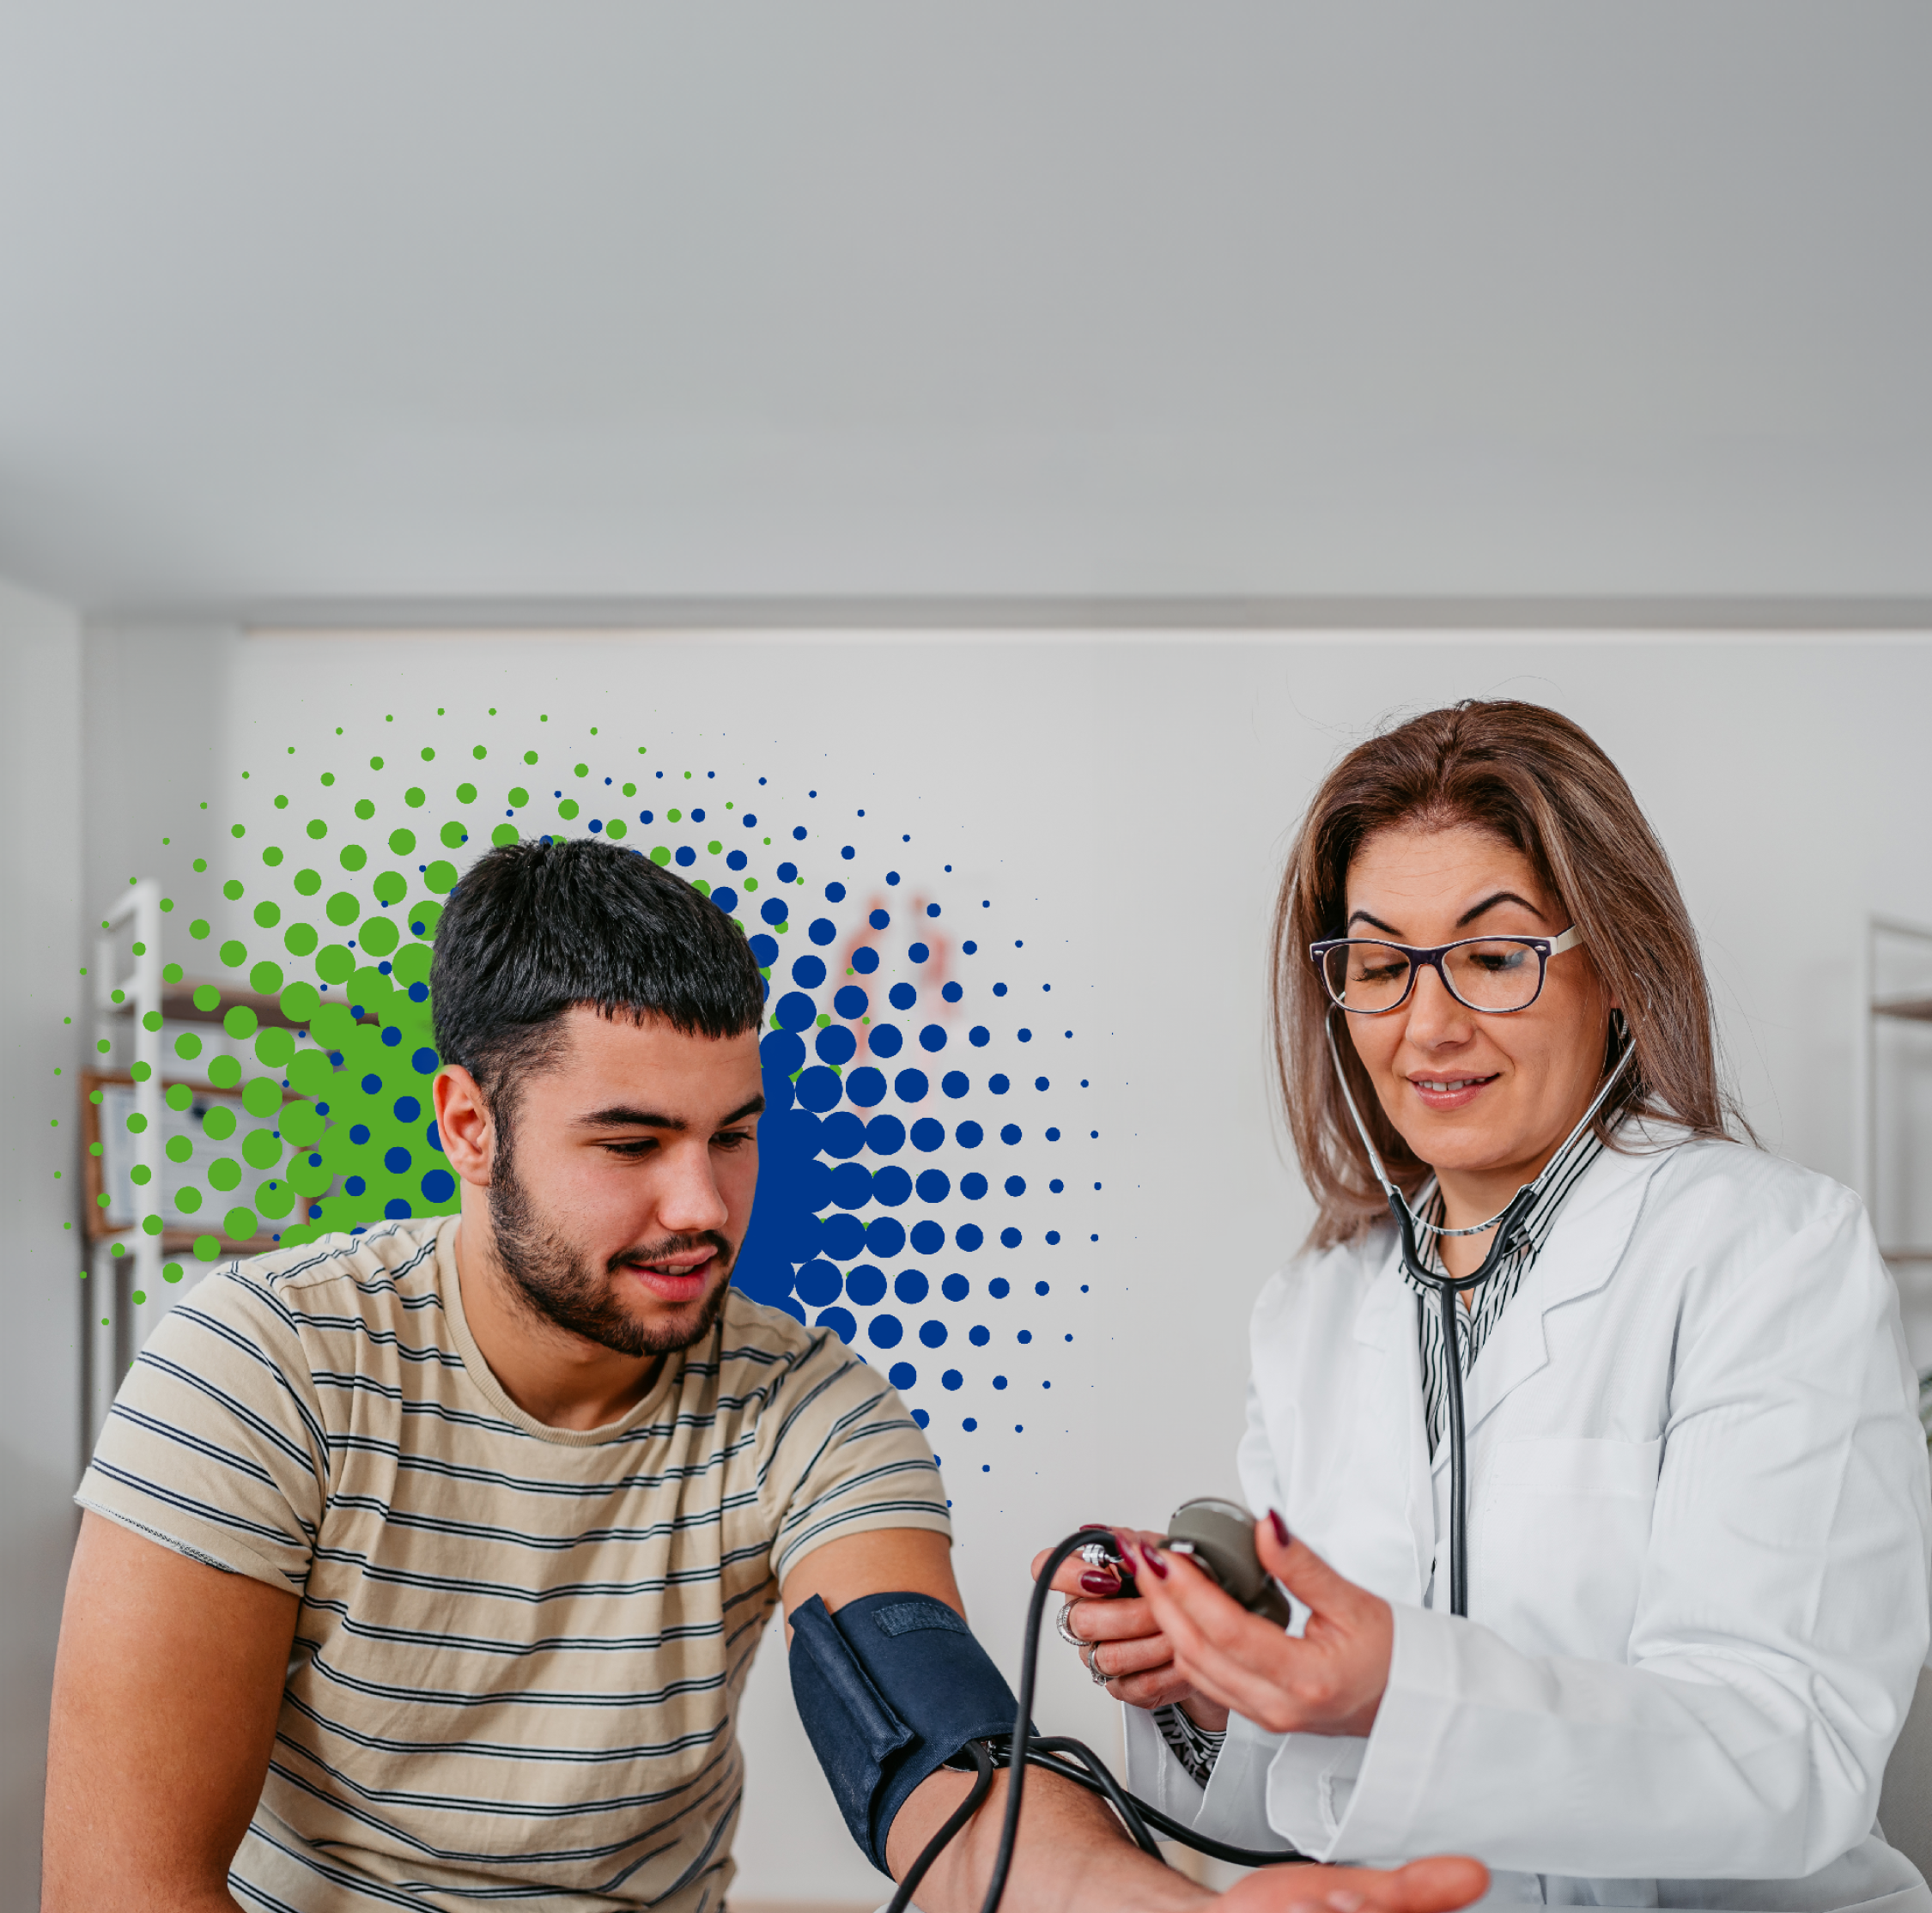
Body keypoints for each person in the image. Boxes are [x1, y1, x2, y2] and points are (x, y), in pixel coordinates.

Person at [42, 837, 1489, 1913]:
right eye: (629, 1142)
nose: (702, 1205)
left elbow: (935, 1751)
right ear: (468, 1125)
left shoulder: (809, 1405)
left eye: (732, 1133)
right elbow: (123, 1887)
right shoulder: (259, 1363)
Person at [1045, 701, 1932, 1909]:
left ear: (1614, 968)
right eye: (1379, 967)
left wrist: (1397, 1689)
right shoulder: (1314, 1310)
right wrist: (1214, 1685)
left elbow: (1791, 1750)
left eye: (1494, 954)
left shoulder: (1767, 1253)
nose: (1428, 1024)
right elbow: (1295, 1804)